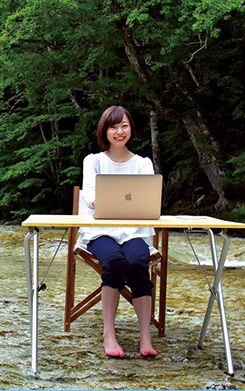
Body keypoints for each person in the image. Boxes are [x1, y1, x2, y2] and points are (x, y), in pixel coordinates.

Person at [77, 105, 157, 358]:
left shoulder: (143, 164)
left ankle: (145, 335)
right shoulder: (94, 161)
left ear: (131, 129)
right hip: (99, 230)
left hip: (134, 230)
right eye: (113, 126)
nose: (119, 131)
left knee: (136, 264)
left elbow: (149, 198)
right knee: (114, 263)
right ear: (105, 130)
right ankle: (109, 334)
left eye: (124, 125)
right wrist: (102, 203)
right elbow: (90, 194)